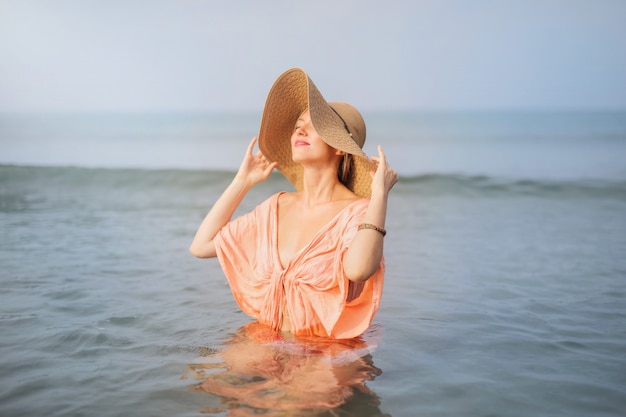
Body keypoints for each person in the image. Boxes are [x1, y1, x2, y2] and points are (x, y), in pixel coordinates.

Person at [190, 68, 398, 339]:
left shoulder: (356, 213)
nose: (301, 129)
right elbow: (201, 246)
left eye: (316, 125)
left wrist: (379, 195)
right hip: (265, 339)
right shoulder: (275, 208)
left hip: (325, 353)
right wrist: (242, 181)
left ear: (339, 147)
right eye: (299, 124)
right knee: (199, 379)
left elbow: (358, 270)